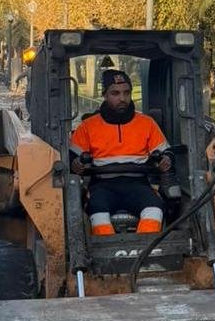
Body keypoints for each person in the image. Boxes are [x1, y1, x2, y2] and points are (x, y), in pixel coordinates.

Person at [69, 69, 172, 236]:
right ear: (105, 95)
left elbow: (166, 152)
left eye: (126, 93)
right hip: (102, 186)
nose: (122, 98)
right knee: (97, 213)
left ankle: (144, 251)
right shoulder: (88, 126)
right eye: (115, 93)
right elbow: (72, 157)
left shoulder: (146, 123)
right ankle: (105, 253)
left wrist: (166, 159)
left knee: (155, 209)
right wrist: (76, 163)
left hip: (138, 184)